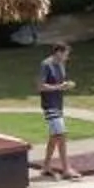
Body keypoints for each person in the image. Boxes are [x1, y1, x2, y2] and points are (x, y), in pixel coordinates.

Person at [37, 41, 74, 179]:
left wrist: (66, 85)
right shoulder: (46, 65)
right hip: (49, 105)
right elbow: (40, 87)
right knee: (62, 135)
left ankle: (46, 166)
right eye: (65, 54)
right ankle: (66, 169)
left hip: (58, 104)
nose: (66, 57)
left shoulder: (61, 65)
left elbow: (59, 83)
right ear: (58, 52)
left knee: (54, 137)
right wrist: (59, 87)